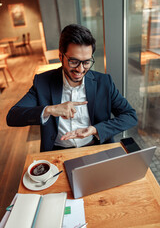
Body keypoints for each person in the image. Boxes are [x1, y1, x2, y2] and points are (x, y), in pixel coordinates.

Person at [7, 24, 137, 152]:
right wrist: (50, 109)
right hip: (58, 151)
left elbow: (130, 115)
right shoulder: (43, 82)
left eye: (86, 62)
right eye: (74, 61)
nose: (80, 69)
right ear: (61, 57)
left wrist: (95, 130)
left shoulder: (104, 82)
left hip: (95, 147)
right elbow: (12, 116)